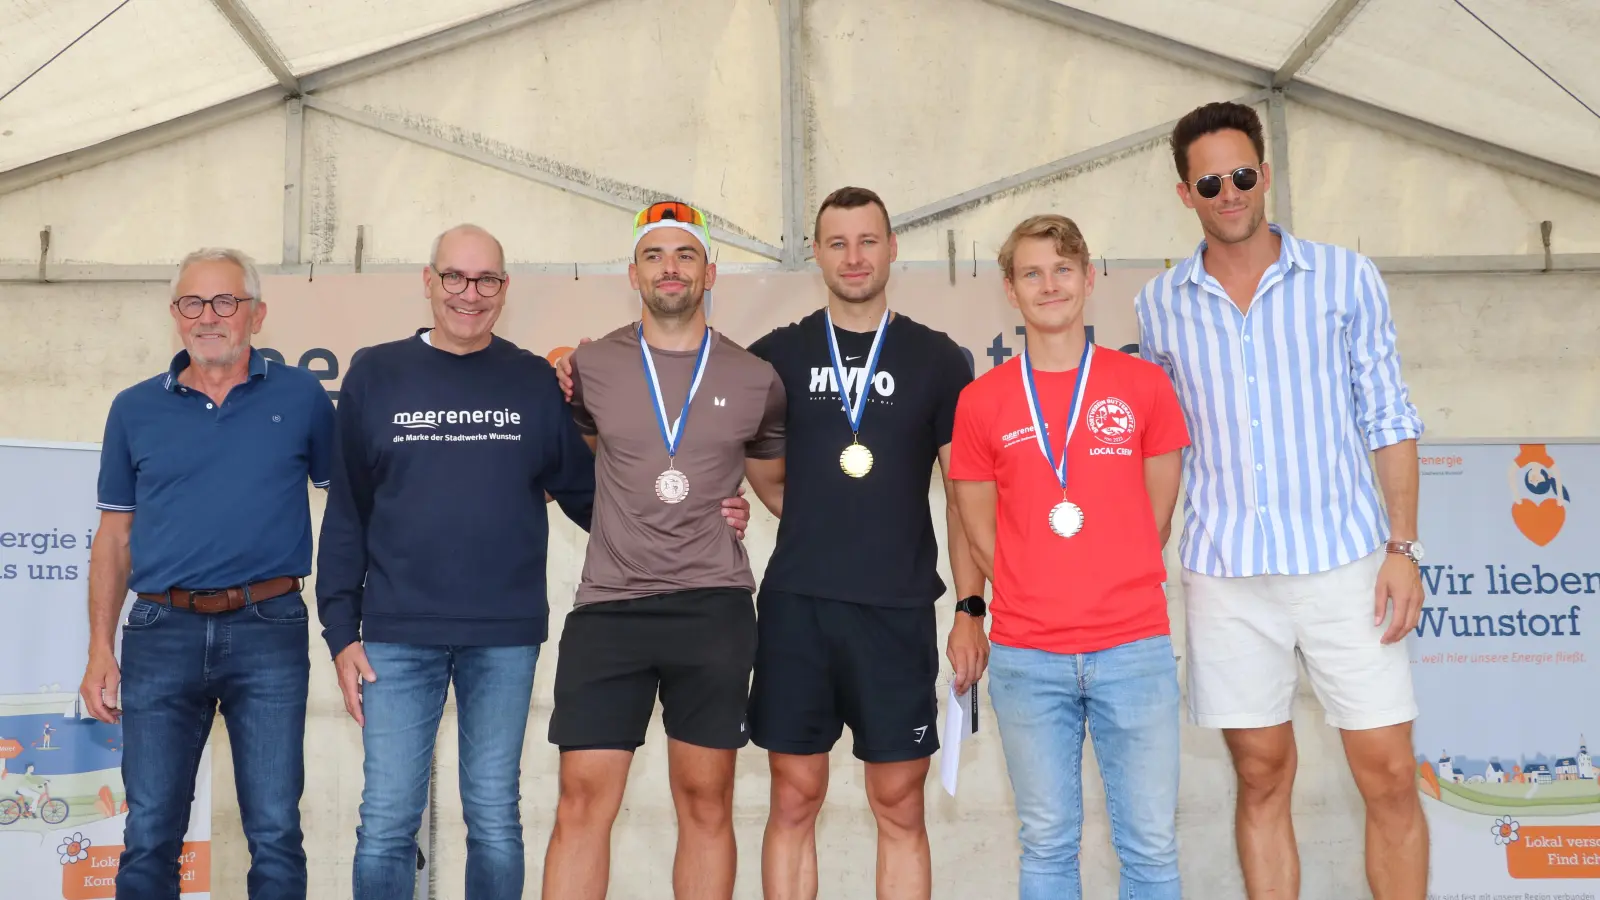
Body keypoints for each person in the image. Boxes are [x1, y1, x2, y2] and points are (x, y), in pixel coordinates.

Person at [314, 222, 754, 900]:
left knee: (494, 819)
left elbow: (593, 496)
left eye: (486, 280)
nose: (469, 294)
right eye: (454, 277)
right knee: (385, 824)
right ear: (429, 282)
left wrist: (698, 515)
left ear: (504, 288)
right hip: (396, 635)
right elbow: (348, 509)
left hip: (505, 637)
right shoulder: (375, 373)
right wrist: (341, 631)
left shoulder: (531, 381)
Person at [1135, 100, 1429, 899]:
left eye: (1241, 175)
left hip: (1348, 564)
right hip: (1226, 575)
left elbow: (1389, 417)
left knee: (1389, 773)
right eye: (1209, 182)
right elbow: (1161, 449)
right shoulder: (1158, 305)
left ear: (1265, 175)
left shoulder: (1345, 277)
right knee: (1260, 775)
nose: (1228, 193)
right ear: (1184, 194)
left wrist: (1403, 549)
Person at [540, 201, 786, 900]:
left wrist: (746, 508)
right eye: (654, 255)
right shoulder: (588, 367)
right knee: (582, 800)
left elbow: (777, 488)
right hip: (609, 608)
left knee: (706, 800)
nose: (669, 268)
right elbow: (573, 466)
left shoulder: (755, 377)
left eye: (684, 255)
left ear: (711, 272)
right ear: (633, 274)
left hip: (713, 607)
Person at [744, 186, 982, 900]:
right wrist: (824, 521)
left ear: (892, 248)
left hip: (896, 610)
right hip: (798, 608)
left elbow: (965, 499)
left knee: (900, 803)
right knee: (793, 796)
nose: (854, 257)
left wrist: (970, 608)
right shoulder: (776, 357)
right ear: (816, 253)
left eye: (868, 240)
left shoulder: (938, 359)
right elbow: (765, 474)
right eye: (838, 243)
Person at [79, 247, 335, 899]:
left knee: (275, 831)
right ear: (175, 314)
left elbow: (354, 508)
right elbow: (114, 537)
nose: (208, 316)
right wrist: (100, 648)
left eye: (225, 301)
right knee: (149, 833)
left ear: (257, 314)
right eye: (193, 302)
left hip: (269, 628)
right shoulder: (134, 408)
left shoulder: (302, 397)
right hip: (159, 631)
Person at [950, 214, 1190, 899]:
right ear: (1010, 289)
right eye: (1032, 273)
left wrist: (1110, 572)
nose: (1049, 284)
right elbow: (975, 523)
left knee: (1150, 847)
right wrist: (1029, 584)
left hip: (1134, 648)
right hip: (1028, 656)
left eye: (1062, 269)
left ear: (1088, 279)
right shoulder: (981, 400)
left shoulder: (1143, 385)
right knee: (1048, 845)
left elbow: (1159, 511)